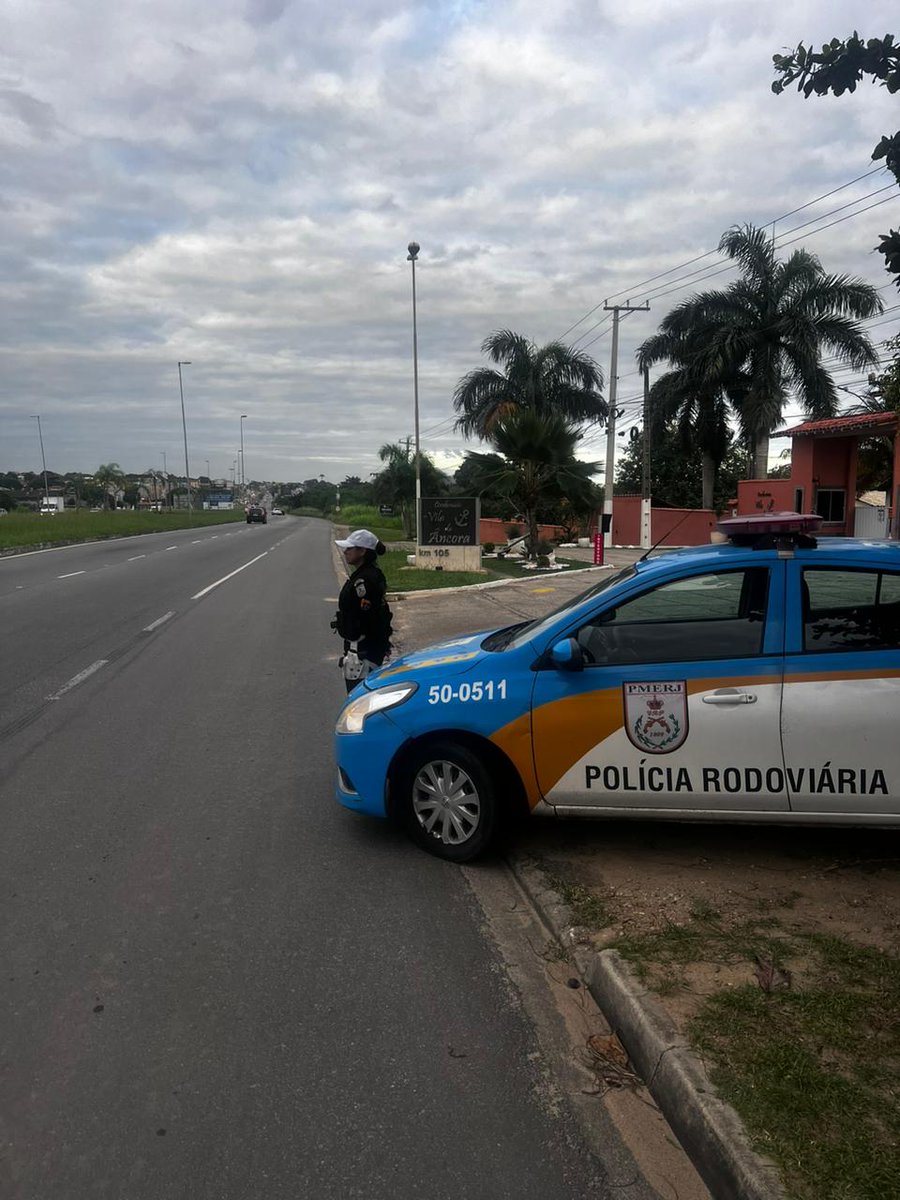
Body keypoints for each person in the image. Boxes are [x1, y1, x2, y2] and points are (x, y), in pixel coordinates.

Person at [333, 529, 393, 691]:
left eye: (350, 548)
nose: (345, 552)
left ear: (362, 551)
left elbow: (370, 617)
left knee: (359, 702)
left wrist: (375, 645)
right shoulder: (366, 575)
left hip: (362, 650)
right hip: (362, 648)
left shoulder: (365, 580)